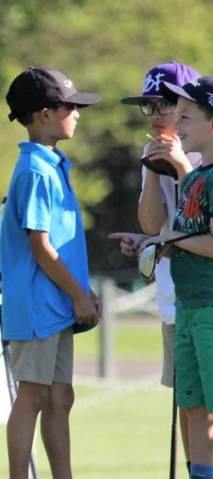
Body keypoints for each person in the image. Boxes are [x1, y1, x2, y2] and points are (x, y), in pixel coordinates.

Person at [0, 67, 103, 479]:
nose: (77, 112)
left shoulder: (51, 165)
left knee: (60, 396)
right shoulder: (36, 172)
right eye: (70, 106)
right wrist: (80, 295)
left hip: (56, 304)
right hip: (39, 307)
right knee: (34, 395)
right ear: (44, 114)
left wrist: (78, 293)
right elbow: (40, 246)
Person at [108, 77, 213, 479]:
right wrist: (155, 239)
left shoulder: (205, 167)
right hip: (183, 302)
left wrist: (168, 237)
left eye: (179, 112)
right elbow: (167, 227)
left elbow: (202, 234)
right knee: (192, 407)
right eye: (148, 107)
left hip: (207, 302)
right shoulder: (172, 164)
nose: (162, 118)